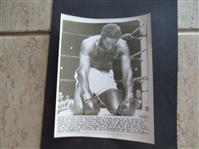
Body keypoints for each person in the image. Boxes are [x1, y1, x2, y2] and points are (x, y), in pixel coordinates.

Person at [68, 24, 137, 116]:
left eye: (113, 44)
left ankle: (96, 100)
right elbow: (83, 71)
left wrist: (129, 98)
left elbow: (127, 72)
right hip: (89, 74)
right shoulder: (89, 44)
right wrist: (87, 99)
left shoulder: (122, 45)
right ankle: (70, 104)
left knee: (121, 110)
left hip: (106, 76)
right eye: (107, 43)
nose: (110, 47)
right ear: (102, 37)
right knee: (80, 110)